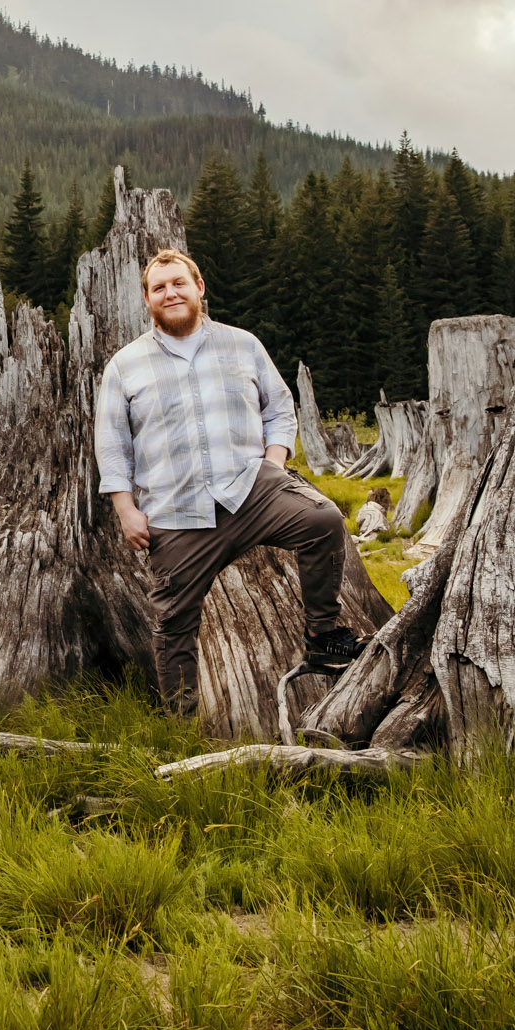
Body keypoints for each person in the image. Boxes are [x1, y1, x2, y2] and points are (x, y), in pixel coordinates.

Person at [94, 248, 361, 717]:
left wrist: (274, 464)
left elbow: (279, 408)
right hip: (176, 513)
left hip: (250, 488)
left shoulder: (243, 344)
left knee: (323, 520)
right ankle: (178, 725)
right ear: (147, 299)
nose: (170, 292)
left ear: (199, 288)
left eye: (179, 283)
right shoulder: (124, 366)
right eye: (159, 288)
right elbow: (113, 443)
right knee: (173, 623)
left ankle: (323, 635)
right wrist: (124, 508)